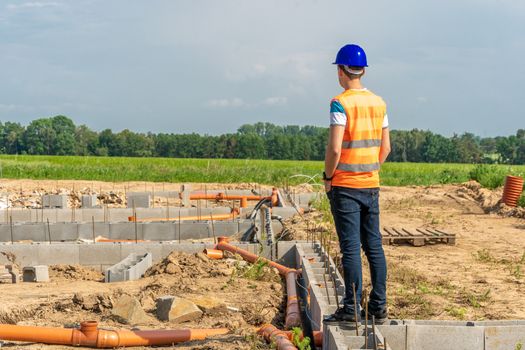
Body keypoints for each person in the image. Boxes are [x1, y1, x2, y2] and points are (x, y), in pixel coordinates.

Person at [323, 44, 391, 324]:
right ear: (362, 70)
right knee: (373, 245)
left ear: (341, 71)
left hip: (346, 187)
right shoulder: (379, 103)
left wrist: (328, 178)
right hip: (370, 184)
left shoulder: (340, 102)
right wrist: (369, 170)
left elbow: (335, 149)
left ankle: (351, 308)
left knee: (350, 248)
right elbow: (385, 148)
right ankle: (379, 306)